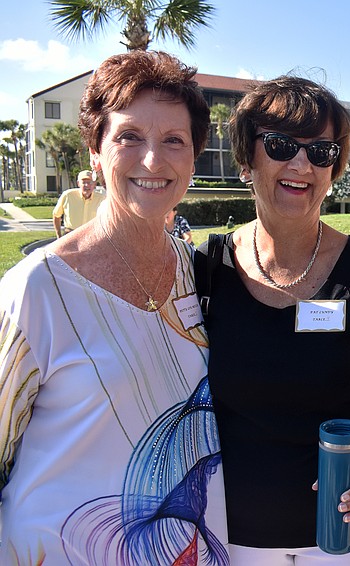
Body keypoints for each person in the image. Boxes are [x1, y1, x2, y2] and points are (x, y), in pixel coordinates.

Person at [0, 51, 229, 564]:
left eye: (174, 140)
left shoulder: (203, 275)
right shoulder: (37, 290)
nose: (153, 160)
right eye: (129, 137)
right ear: (96, 151)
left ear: (194, 157)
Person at [194, 75, 350, 564]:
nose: (301, 164)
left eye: (321, 151)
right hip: (234, 530)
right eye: (280, 145)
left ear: (334, 168)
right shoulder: (207, 266)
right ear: (247, 157)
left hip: (345, 529)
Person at [52, 169, 107, 237]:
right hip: (70, 235)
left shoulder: (102, 198)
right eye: (84, 182)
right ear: (78, 183)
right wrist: (59, 236)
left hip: (91, 235)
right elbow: (56, 215)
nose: (87, 185)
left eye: (90, 182)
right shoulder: (68, 195)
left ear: (94, 184)